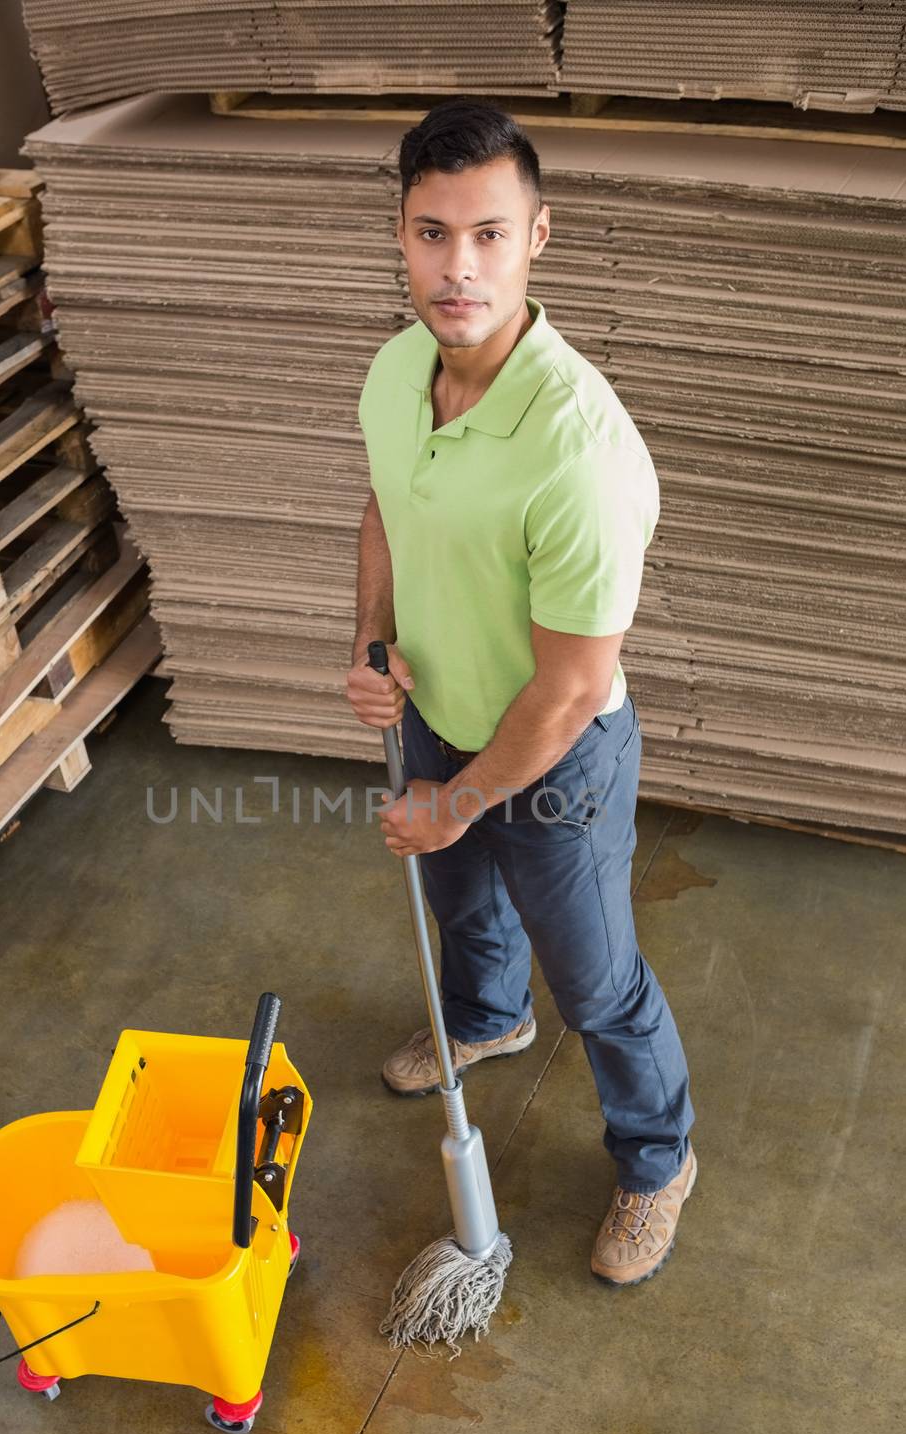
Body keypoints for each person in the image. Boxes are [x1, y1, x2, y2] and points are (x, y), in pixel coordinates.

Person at [345, 99, 697, 1287]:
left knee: (598, 982)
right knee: (459, 906)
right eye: (431, 232)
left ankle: (658, 1160)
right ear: (398, 234)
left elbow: (567, 687)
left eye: (488, 234)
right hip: (435, 712)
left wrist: (453, 801)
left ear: (536, 236)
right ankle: (488, 1016)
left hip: (559, 763)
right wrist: (372, 641)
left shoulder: (577, 451)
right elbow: (388, 507)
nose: (458, 267)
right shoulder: (398, 370)